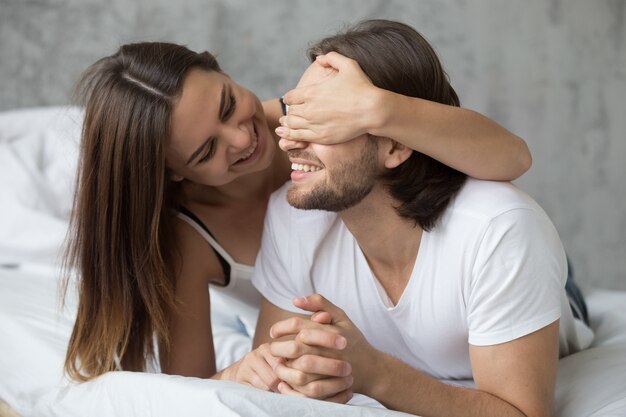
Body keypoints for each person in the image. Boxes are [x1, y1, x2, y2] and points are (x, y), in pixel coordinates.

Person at [63, 31, 532, 391]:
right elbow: (192, 388)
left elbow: (513, 158)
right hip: (369, 324)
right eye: (207, 150)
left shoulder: (308, 117)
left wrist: (377, 108)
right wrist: (242, 372)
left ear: (222, 71)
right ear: (172, 174)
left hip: (465, 281)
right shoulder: (188, 238)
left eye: (229, 103)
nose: (244, 139)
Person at [251, 19, 589, 415]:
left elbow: (521, 412)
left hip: (547, 287)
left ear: (394, 143)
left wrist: (375, 374)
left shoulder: (498, 228)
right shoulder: (291, 217)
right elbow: (273, 374)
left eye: (321, 121)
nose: (287, 140)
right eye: (293, 114)